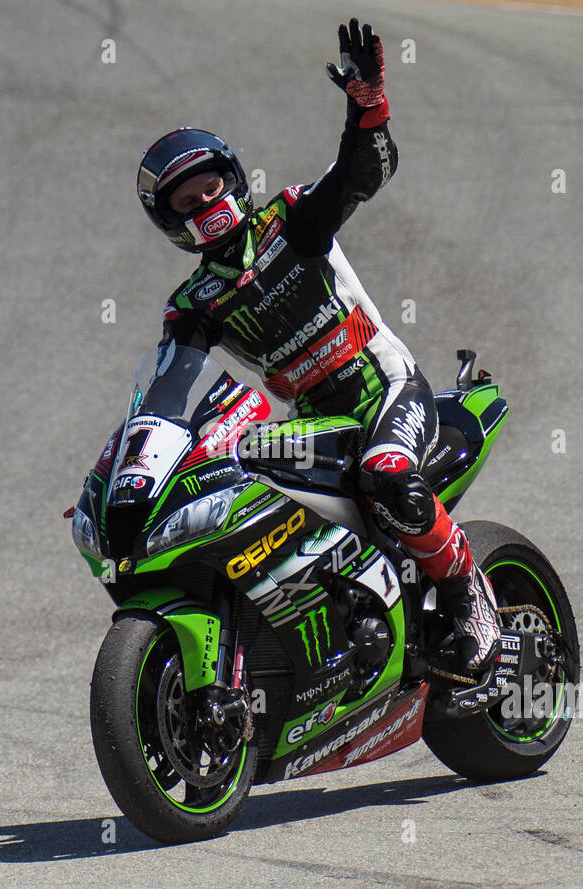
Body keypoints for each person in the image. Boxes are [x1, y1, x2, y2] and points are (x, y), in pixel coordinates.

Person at [136, 19, 501, 673]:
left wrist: (367, 107)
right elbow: (166, 391)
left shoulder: (290, 221)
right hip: (316, 422)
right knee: (237, 489)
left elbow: (359, 176)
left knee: (388, 473)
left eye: (211, 187)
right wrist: (136, 472)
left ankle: (466, 591)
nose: (205, 203)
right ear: (171, 222)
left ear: (234, 179)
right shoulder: (194, 304)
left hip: (386, 389)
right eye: (186, 201)